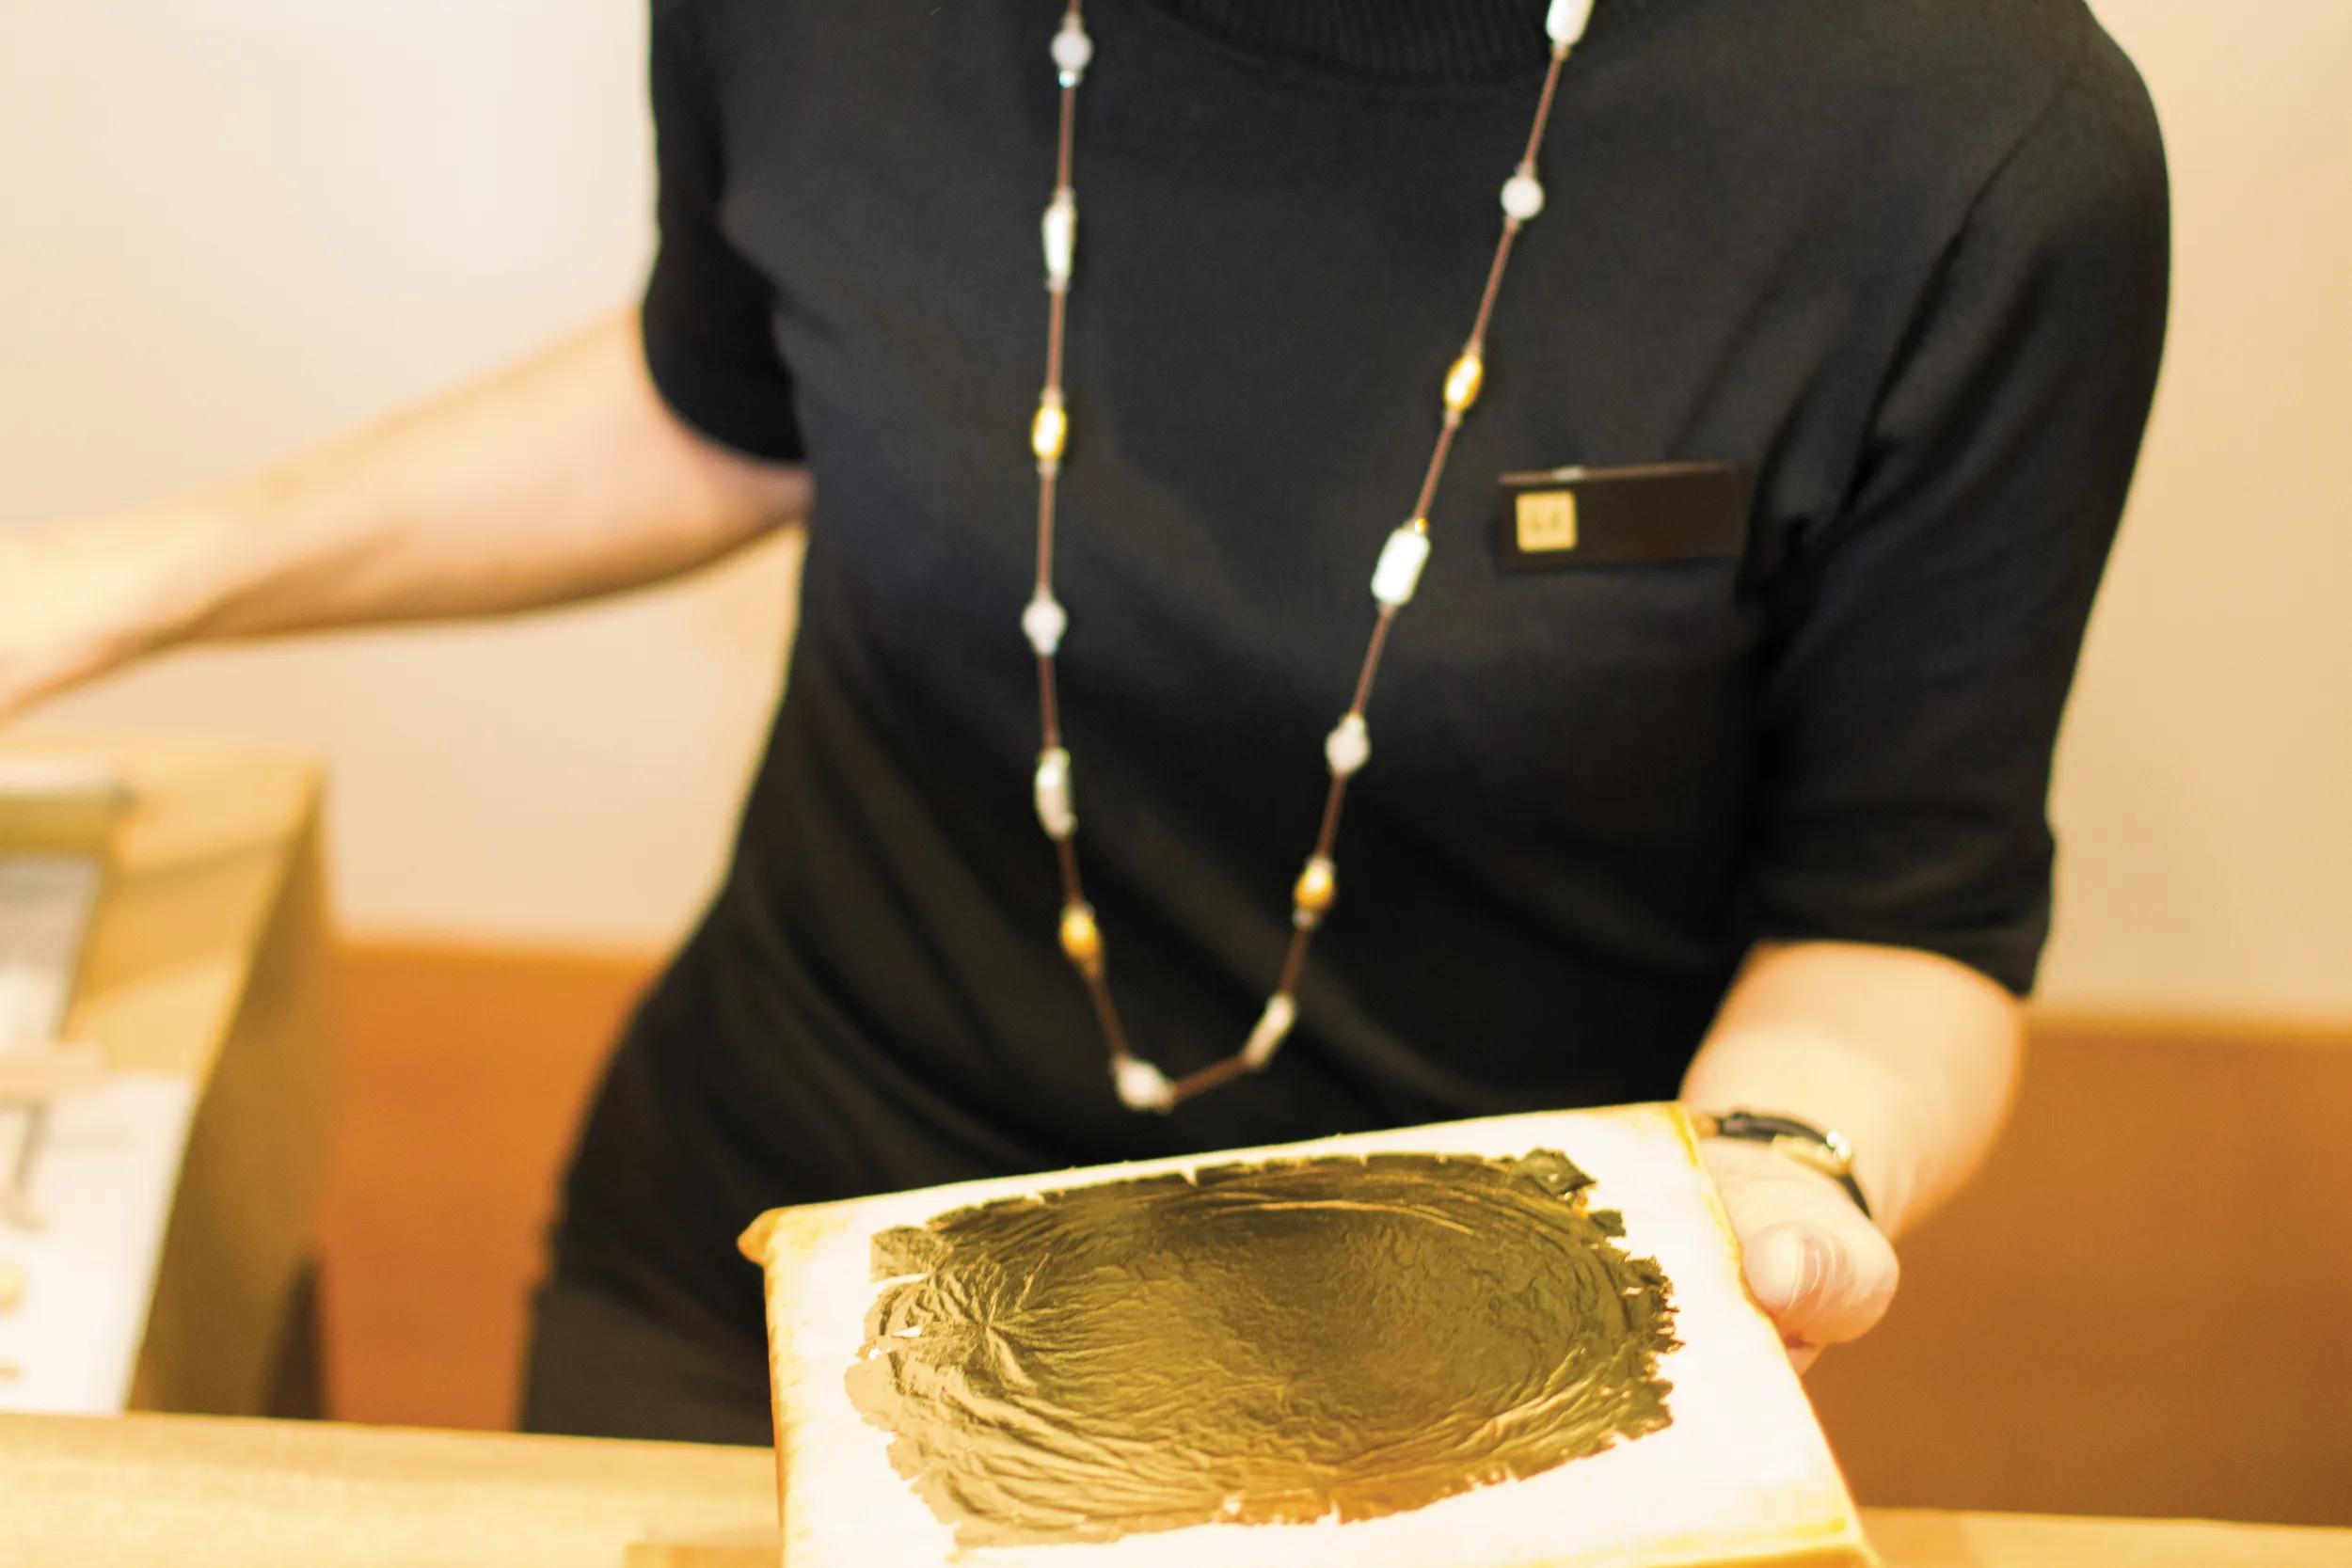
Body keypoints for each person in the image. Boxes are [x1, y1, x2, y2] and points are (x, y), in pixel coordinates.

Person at [0, 0, 2167, 1445]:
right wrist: (116, 582)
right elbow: (740, 394)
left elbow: (1903, 913)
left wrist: (1775, 1175)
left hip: (1452, 1395)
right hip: (779, 1261)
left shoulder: (1963, 143)